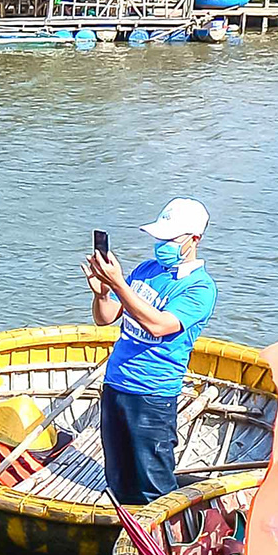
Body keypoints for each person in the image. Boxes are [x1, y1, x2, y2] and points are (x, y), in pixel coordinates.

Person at [85, 199, 217, 508]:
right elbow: (106, 317)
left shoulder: (200, 288)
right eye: (159, 238)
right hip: (116, 385)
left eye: (170, 239)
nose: (161, 245)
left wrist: (117, 283)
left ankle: (163, 547)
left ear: (194, 240)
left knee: (153, 485)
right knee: (119, 477)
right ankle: (125, 538)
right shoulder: (146, 270)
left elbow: (158, 325)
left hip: (152, 395)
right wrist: (102, 291)